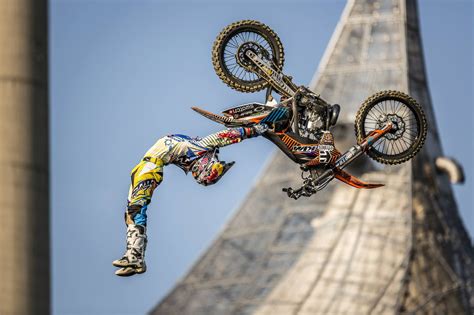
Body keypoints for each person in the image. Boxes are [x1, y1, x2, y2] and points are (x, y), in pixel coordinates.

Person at [112, 124, 268, 276]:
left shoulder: (195, 151)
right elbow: (221, 138)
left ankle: (134, 256)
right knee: (131, 213)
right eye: (199, 173)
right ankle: (135, 257)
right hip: (147, 166)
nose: (195, 173)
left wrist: (251, 130)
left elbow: (220, 139)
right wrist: (251, 130)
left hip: (150, 167)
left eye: (198, 174)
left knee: (135, 210)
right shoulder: (198, 148)